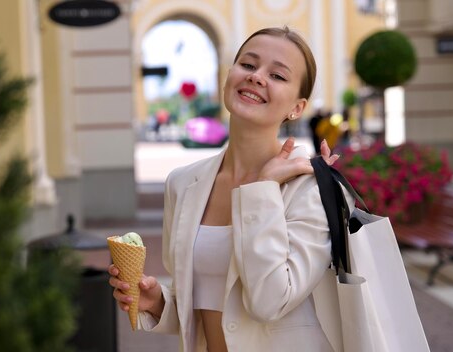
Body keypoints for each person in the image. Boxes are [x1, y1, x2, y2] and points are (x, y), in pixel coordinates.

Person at [108, 26, 352, 351]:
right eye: (248, 65)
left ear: (297, 107)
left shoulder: (310, 188)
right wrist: (157, 302)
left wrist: (263, 188)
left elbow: (270, 302)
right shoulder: (183, 183)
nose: (256, 77)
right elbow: (197, 303)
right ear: (229, 75)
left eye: (277, 75)